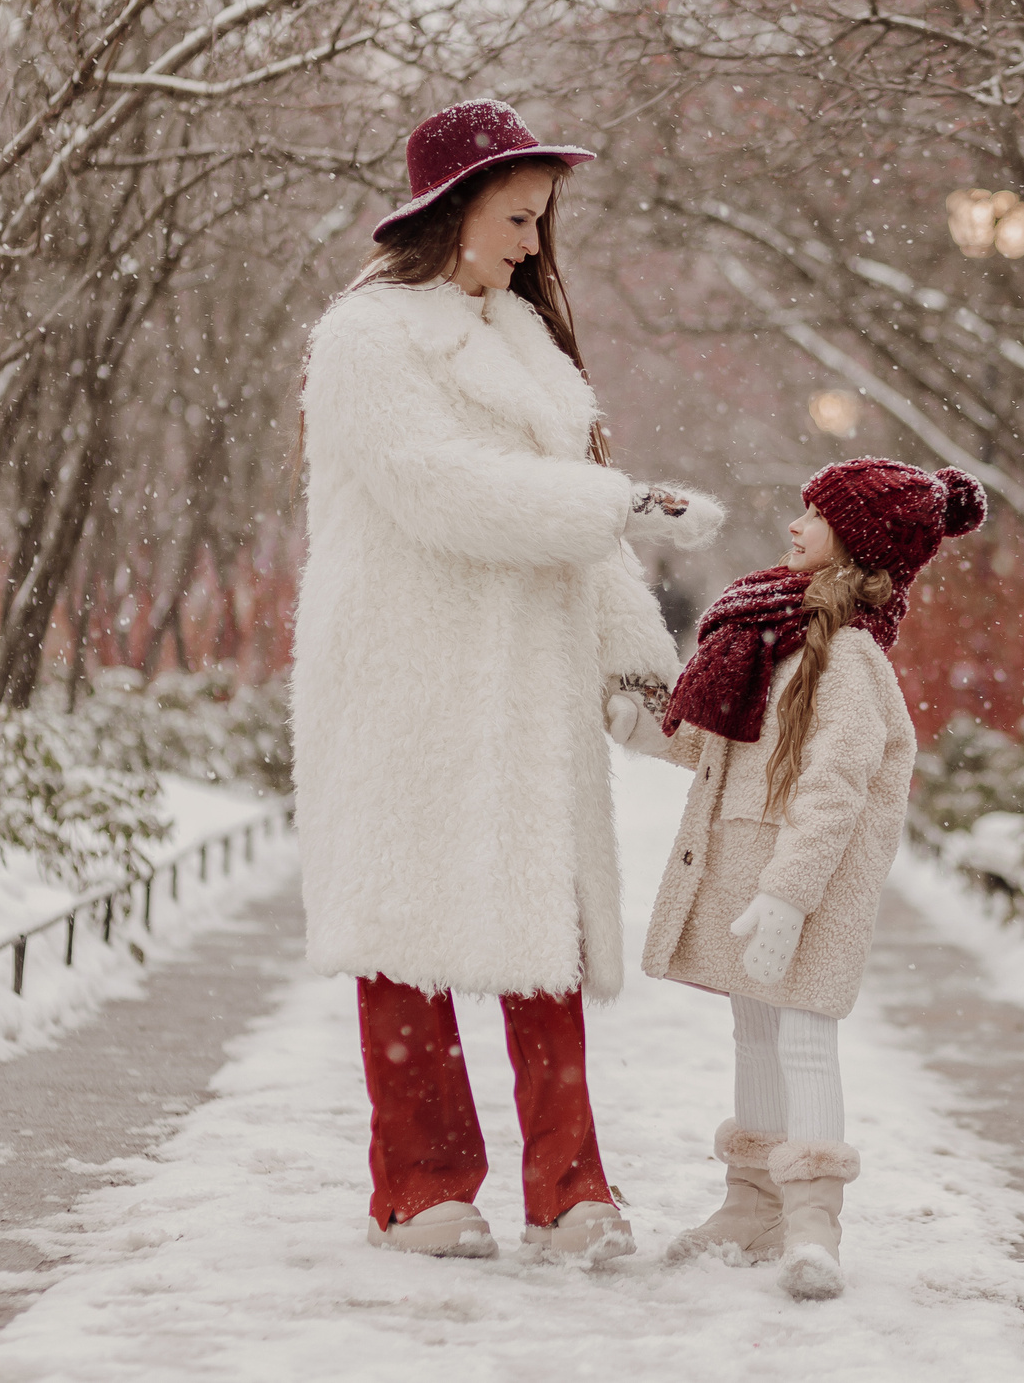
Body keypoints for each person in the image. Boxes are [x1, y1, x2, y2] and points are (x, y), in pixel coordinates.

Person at [293, 99, 720, 1264]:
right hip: (406, 672)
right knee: (408, 927)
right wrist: (612, 502)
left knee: (546, 940)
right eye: (518, 217)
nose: (534, 244)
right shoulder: (368, 336)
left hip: (525, 684)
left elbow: (583, 540)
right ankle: (423, 1188)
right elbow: (433, 487)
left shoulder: (526, 344)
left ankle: (573, 1192)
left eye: (541, 221)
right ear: (451, 210)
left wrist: (645, 674)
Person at [607, 458, 987, 1300]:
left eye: (815, 515)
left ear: (857, 542)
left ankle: (814, 1221)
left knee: (806, 1038)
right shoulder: (767, 634)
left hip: (803, 889)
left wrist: (791, 893)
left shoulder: (849, 659)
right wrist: (641, 726)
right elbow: (719, 741)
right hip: (749, 875)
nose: (794, 525)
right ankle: (752, 1204)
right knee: (753, 1035)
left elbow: (835, 787)